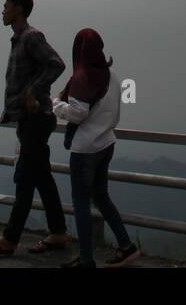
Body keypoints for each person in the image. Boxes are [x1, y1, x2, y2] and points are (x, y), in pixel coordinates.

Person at [0, 0, 68, 258]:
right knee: (40, 177)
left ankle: (9, 239)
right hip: (28, 119)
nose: (2, 11)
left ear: (18, 9)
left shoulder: (31, 37)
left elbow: (57, 64)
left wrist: (32, 91)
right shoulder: (18, 40)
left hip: (37, 118)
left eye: (6, 6)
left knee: (25, 179)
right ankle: (58, 232)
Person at [52, 28, 140, 268]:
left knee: (80, 202)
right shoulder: (112, 76)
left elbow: (78, 114)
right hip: (106, 143)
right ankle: (126, 246)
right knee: (101, 196)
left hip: (85, 150)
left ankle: (87, 259)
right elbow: (114, 113)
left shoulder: (82, 78)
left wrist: (57, 104)